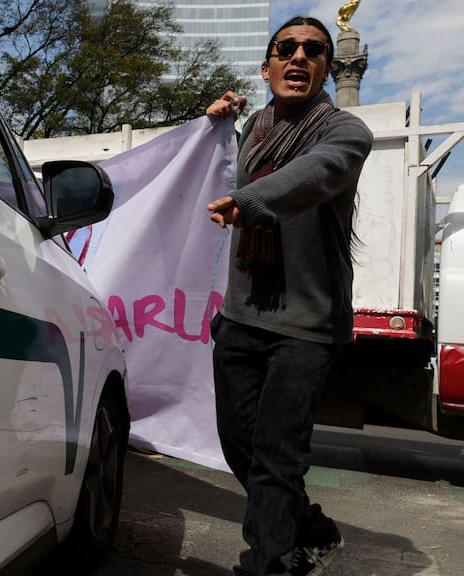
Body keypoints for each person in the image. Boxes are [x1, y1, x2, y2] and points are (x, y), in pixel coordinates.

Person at [205, 16, 373, 576]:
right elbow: (220, 165)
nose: (298, 56)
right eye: (286, 48)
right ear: (267, 65)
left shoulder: (346, 134)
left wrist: (249, 201)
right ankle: (312, 528)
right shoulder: (252, 128)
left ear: (327, 67)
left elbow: (315, 173)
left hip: (305, 325)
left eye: (314, 50)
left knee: (277, 459)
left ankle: (269, 563)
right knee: (238, 443)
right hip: (239, 316)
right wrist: (213, 131)